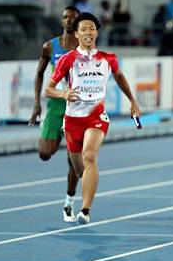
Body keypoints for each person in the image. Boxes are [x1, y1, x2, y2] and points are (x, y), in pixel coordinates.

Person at [44, 13, 141, 225]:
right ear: (77, 34)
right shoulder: (68, 59)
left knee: (90, 157)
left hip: (96, 116)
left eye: (91, 29)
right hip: (72, 120)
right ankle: (70, 198)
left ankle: (85, 210)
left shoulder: (108, 58)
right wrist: (63, 94)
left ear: (97, 32)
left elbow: (119, 77)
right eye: (83, 29)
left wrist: (133, 101)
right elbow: (48, 90)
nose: (88, 33)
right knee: (79, 169)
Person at [29, 6, 80, 222]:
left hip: (76, 107)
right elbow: (39, 74)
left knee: (73, 163)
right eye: (65, 17)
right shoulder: (50, 46)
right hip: (55, 105)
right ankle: (60, 137)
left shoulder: (85, 47)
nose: (68, 20)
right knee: (44, 154)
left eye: (72, 17)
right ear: (62, 21)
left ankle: (69, 201)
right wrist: (36, 103)